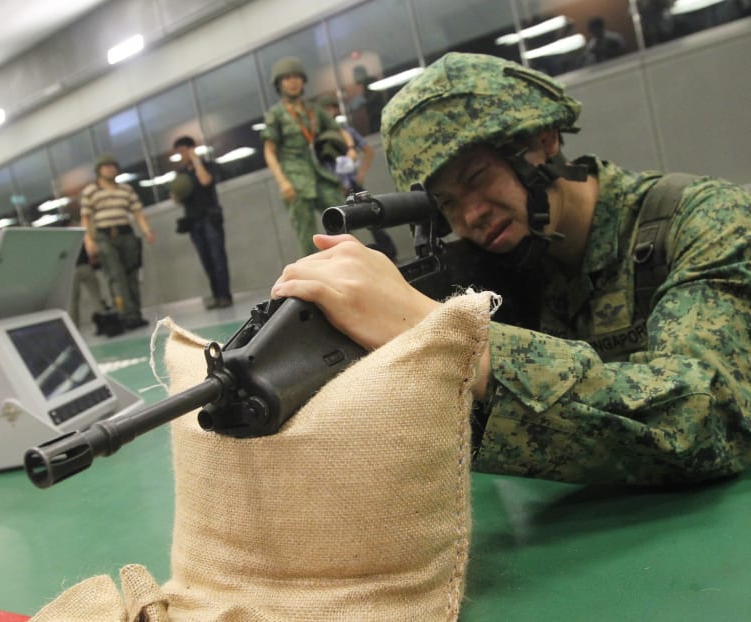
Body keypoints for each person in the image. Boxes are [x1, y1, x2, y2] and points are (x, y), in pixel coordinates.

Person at [271, 52, 751, 487]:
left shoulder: (705, 220)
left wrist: (443, 333)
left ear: (544, 141)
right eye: (447, 205)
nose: (471, 216)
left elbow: (707, 418)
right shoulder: (506, 269)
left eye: (478, 178)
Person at [262, 56, 347, 256]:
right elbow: (269, 151)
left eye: (297, 77)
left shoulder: (314, 110)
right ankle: (316, 277)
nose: (293, 82)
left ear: (303, 81)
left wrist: (350, 149)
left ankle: (348, 263)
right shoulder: (276, 114)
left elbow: (338, 129)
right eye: (287, 78)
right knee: (306, 234)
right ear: (279, 83)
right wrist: (283, 182)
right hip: (295, 180)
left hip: (320, 174)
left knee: (341, 219)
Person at [318, 94, 398, 262]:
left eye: (332, 108)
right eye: (326, 109)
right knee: (337, 226)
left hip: (352, 185)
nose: (330, 112)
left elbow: (368, 150)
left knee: (371, 217)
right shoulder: (320, 137)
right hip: (333, 187)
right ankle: (347, 260)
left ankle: (389, 253)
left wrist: (360, 173)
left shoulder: (345, 131)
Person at [80, 154, 155, 330]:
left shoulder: (126, 189)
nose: (110, 169)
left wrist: (147, 231)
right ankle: (124, 315)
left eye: (113, 166)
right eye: (106, 166)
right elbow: (86, 218)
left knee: (132, 275)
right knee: (116, 277)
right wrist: (88, 241)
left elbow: (137, 212)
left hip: (126, 233)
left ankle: (136, 313)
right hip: (104, 236)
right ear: (99, 170)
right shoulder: (90, 191)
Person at [170, 136, 233, 309]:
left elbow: (206, 180)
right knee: (206, 260)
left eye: (183, 151)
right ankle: (216, 296)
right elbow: (176, 198)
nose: (181, 155)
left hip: (210, 218)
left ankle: (225, 295)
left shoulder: (207, 166)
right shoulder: (180, 174)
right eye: (179, 153)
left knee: (218, 257)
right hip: (193, 221)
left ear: (192, 149)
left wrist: (196, 161)